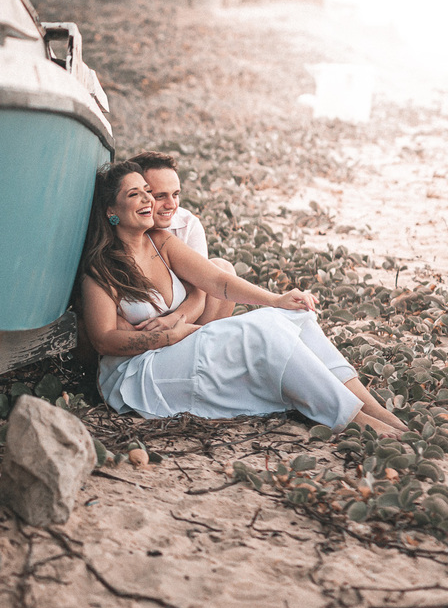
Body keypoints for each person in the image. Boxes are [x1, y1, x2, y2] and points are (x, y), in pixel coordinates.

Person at [78, 160, 407, 436]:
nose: (149, 200)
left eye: (148, 192)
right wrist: (169, 335)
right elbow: (104, 340)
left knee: (296, 318)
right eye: (135, 194)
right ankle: (353, 419)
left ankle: (376, 409)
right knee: (262, 333)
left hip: (177, 348)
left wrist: (276, 299)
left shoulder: (161, 242)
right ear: (112, 211)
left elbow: (218, 281)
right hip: (136, 376)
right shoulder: (101, 268)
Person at [127, 150, 236, 327]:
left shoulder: (187, 224)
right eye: (160, 196)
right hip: (135, 325)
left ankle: (201, 344)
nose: (171, 205)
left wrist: (171, 323)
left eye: (176, 194)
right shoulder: (116, 230)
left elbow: (201, 293)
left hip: (185, 319)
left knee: (223, 268)